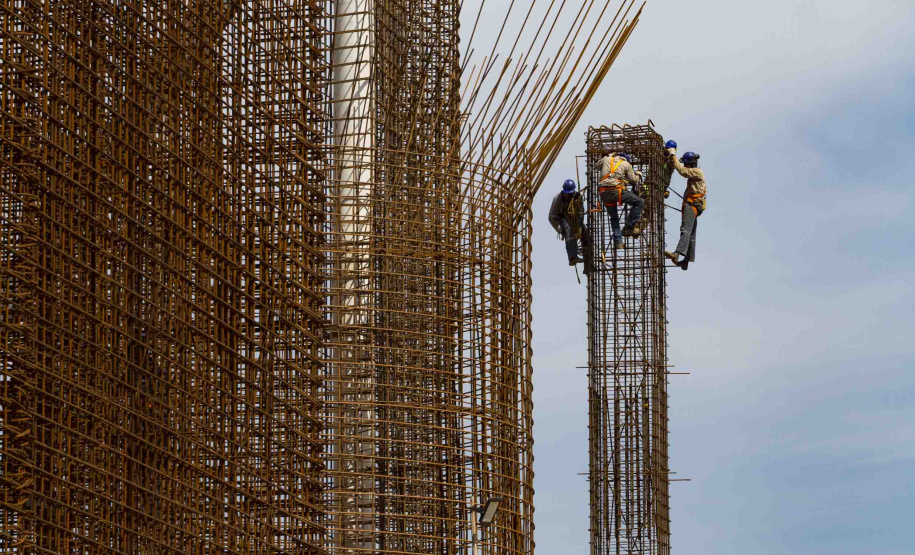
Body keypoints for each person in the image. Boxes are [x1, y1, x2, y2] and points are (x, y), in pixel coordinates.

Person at [664, 151, 706, 271]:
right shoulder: (697, 173)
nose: (685, 166)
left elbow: (682, 171)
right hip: (696, 204)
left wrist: (673, 157)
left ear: (689, 163)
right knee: (691, 233)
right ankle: (686, 260)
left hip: (692, 204)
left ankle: (677, 254)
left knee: (685, 230)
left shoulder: (696, 172)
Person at [595, 149, 644, 249]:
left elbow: (596, 166)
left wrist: (606, 157)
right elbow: (634, 181)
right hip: (616, 191)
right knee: (639, 202)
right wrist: (638, 174)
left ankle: (618, 242)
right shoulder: (626, 164)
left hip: (603, 193)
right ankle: (630, 226)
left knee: (614, 218)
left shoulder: (607, 159)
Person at [548, 179, 593, 272]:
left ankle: (588, 265)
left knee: (587, 237)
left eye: (570, 193)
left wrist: (579, 227)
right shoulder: (558, 199)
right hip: (563, 218)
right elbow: (552, 217)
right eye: (567, 193)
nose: (568, 195)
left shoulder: (577, 197)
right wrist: (559, 228)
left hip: (576, 219)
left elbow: (580, 213)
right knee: (569, 232)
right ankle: (572, 257)